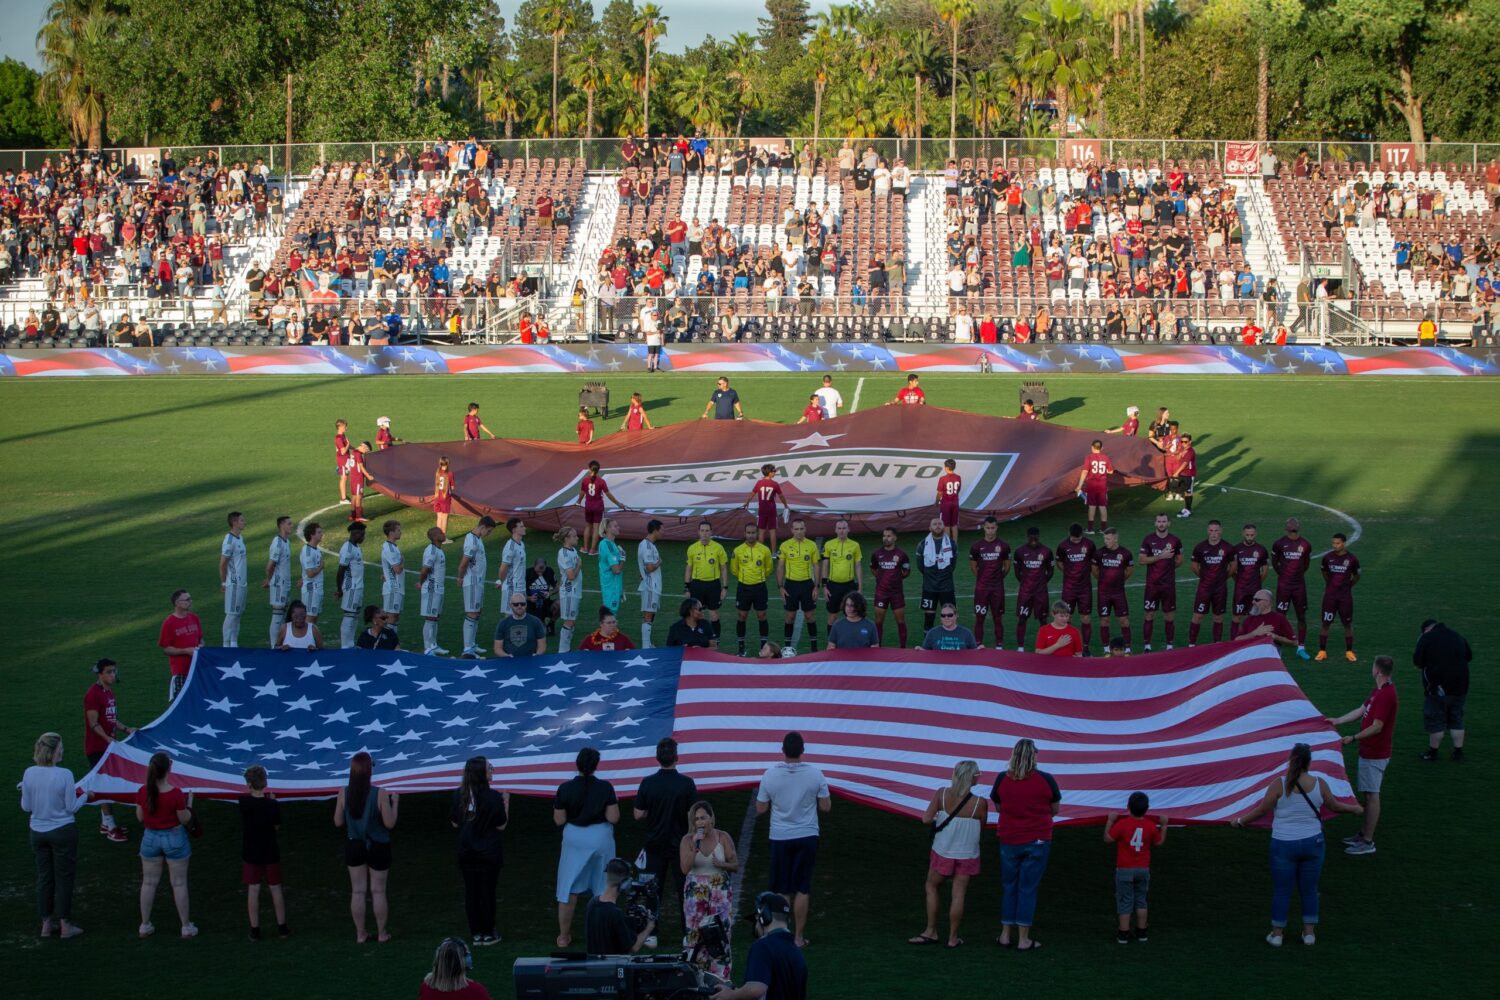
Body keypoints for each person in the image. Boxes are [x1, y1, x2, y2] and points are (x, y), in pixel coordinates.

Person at [1230, 743, 1363, 946]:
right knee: (1309, 890)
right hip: (1313, 843)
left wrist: (1240, 821)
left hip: (1283, 844)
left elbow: (1261, 810)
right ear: (1309, 763)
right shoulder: (1320, 783)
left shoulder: (1278, 784)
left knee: (1282, 891)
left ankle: (1277, 935)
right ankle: (1309, 934)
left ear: (1290, 761)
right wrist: (1354, 809)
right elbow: (1334, 806)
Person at [756, 732, 830, 948]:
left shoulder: (770, 775)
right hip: (807, 835)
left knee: (782, 889)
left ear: (783, 750)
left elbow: (760, 809)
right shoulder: (816, 774)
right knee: (802, 888)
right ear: (802, 751)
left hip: (780, 836)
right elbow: (826, 807)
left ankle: (783, 934)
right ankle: (798, 938)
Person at [990, 739, 1059, 951]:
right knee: (1027, 888)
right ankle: (1023, 939)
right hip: (1037, 840)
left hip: (1009, 839)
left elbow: (999, 806)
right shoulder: (1046, 780)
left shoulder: (1002, 779)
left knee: (1009, 886)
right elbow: (1054, 809)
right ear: (1034, 756)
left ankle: (1004, 935)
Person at [909, 760, 987, 948]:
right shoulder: (980, 803)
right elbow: (982, 825)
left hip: (943, 851)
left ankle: (931, 930)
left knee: (932, 886)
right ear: (973, 778)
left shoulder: (942, 794)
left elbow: (926, 819)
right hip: (967, 854)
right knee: (958, 895)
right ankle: (953, 937)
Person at [1328, 655, 1397, 855]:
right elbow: (1361, 710)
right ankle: (1363, 834)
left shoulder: (1386, 695)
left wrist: (1354, 737)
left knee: (1372, 795)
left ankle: (1367, 842)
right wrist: (1338, 720)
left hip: (1375, 752)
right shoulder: (1379, 691)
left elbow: (1377, 727)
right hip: (1369, 750)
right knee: (1368, 793)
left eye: (1373, 666)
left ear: (1378, 671)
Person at [553, 747, 620, 948]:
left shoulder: (564, 788)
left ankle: (564, 937)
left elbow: (559, 820)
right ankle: (605, 935)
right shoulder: (606, 787)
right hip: (600, 838)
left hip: (574, 838)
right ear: (596, 765)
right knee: (605, 887)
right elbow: (613, 817)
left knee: (569, 888)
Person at [634, 738, 698, 947]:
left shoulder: (647, 782)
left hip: (654, 844)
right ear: (676, 757)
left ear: (657, 758)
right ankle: (688, 932)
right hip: (680, 845)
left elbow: (637, 814)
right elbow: (695, 814)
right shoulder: (686, 783)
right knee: (684, 890)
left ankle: (651, 933)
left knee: (653, 890)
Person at [22, 732, 86, 938]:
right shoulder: (64, 774)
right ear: (53, 752)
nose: (63, 751)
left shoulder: (29, 773)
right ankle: (65, 925)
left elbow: (26, 806)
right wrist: (86, 795)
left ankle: (46, 924)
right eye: (61, 748)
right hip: (62, 831)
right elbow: (71, 807)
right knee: (64, 878)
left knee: (45, 877)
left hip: (38, 832)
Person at [334, 751, 398, 943]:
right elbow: (389, 823)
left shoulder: (343, 792)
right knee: (378, 891)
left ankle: (360, 933)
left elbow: (337, 822)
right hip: (378, 845)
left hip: (355, 844)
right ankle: (381, 933)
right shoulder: (380, 794)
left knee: (358, 891)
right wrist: (395, 804)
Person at [135, 751, 196, 939]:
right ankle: (185, 927)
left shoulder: (143, 791)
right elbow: (184, 819)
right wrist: (190, 804)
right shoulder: (175, 794)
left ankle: (144, 925)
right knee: (178, 883)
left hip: (150, 839)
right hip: (175, 839)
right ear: (169, 768)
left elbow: (140, 817)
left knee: (148, 882)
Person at [450, 756, 509, 947]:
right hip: (489, 853)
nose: (492, 770)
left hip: (467, 852)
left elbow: (454, 822)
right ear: (481, 774)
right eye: (489, 768)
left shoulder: (459, 795)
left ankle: (476, 932)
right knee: (488, 892)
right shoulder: (493, 797)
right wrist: (506, 802)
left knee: (472, 892)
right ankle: (488, 932)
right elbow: (501, 825)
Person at [681, 800, 739, 979]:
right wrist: (695, 847)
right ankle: (696, 974)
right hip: (695, 891)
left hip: (719, 889)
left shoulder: (723, 837)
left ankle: (721, 976)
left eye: (703, 818)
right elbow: (684, 869)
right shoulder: (688, 840)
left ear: (711, 818)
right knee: (695, 931)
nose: (700, 822)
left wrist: (722, 864)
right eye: (697, 819)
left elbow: (735, 864)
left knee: (720, 930)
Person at [713, 892, 808, 1000]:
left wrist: (731, 995)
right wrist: (739, 992)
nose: (756, 926)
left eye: (756, 920)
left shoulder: (763, 946)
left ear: (763, 916)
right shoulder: (796, 951)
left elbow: (756, 989)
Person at [1104, 792, 1168, 944]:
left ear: (1127, 807)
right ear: (1147, 809)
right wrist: (1164, 826)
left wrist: (1110, 820)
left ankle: (1123, 933)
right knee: (1141, 900)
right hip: (1143, 869)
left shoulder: (1123, 824)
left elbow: (1108, 839)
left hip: (1125, 869)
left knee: (1125, 900)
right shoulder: (1151, 826)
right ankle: (1142, 932)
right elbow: (1158, 843)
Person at [83, 658, 136, 841]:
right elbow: (93, 723)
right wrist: (108, 739)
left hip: (107, 746)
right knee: (104, 784)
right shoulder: (93, 694)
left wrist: (126, 729)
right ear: (100, 674)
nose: (113, 675)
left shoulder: (109, 693)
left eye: (114, 671)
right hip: (97, 748)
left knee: (108, 783)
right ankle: (109, 825)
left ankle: (107, 823)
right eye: (109, 672)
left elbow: (111, 719)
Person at [239, 764, 288, 940]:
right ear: (265, 782)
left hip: (251, 852)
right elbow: (276, 826)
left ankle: (255, 929)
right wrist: (272, 802)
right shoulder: (272, 805)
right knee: (275, 888)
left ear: (249, 784)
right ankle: (282, 927)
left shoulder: (243, 803)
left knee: (253, 890)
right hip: (270, 851)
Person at [1413, 618, 1471, 762]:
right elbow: (1468, 656)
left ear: (1426, 630)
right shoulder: (1457, 635)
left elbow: (1418, 661)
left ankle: (1433, 752)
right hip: (1461, 685)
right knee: (1456, 717)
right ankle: (1458, 752)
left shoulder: (1426, 638)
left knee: (1435, 718)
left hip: (1437, 687)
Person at [585, 858, 656, 954]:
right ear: (625, 884)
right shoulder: (615, 913)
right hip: (613, 966)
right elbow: (633, 948)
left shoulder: (592, 903)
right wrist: (649, 927)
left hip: (593, 965)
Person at [1138, 513, 1183, 651]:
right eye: (1159, 521)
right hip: (1152, 585)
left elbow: (1180, 560)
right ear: (1155, 523)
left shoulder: (1175, 540)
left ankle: (1170, 645)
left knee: (1169, 615)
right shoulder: (1148, 540)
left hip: (1168, 585)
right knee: (1149, 614)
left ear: (1169, 523)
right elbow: (1141, 560)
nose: (1161, 524)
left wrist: (1168, 568)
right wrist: (1160, 557)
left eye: (1164, 521)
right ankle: (1147, 645)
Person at [1271, 517, 1314, 658]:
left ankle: (1301, 647)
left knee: (1301, 616)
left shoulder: (1305, 544)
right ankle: (1277, 646)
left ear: (1299, 526)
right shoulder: (1279, 544)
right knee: (1280, 616)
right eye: (1290, 523)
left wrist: (1296, 576)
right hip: (1284, 586)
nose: (1293, 525)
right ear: (1286, 527)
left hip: (1299, 587)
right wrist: (1284, 576)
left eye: (1295, 523)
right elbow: (1275, 562)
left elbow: (1306, 564)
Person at [777, 518, 822, 653]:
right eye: (796, 529)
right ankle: (787, 647)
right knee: (790, 617)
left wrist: (816, 586)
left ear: (805, 529)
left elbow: (816, 565)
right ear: (792, 530)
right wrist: (780, 587)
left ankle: (814, 648)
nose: (799, 532)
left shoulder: (812, 545)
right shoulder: (784, 545)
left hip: (807, 584)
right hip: (790, 585)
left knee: (810, 616)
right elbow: (780, 567)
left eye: (801, 529)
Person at [1316, 533, 1361, 662]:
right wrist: (1331, 584)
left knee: (1347, 624)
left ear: (1344, 543)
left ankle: (1349, 651)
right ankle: (1322, 651)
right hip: (1330, 597)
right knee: (1325, 623)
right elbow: (1324, 573)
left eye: (1338, 543)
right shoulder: (1327, 558)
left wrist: (1349, 585)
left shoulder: (1352, 559)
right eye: (1333, 543)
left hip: (1345, 597)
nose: (1335, 545)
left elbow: (1357, 575)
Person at [1188, 519, 1233, 646]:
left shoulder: (1228, 547)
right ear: (1208, 531)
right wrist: (1204, 577)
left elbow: (1233, 565)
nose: (1214, 533)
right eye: (1211, 530)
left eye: (1216, 530)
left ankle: (1217, 643)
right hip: (1205, 588)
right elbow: (1194, 566)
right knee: (1198, 616)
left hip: (1220, 589)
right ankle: (1191, 644)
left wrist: (1223, 577)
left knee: (1218, 617)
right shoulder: (1200, 547)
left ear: (1221, 531)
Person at [732, 522, 774, 656]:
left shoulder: (764, 550)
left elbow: (769, 568)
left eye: (753, 533)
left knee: (762, 616)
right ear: (745, 534)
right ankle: (741, 648)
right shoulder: (737, 550)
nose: (751, 535)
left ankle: (764, 647)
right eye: (748, 533)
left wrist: (758, 577)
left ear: (757, 533)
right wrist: (746, 578)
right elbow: (734, 569)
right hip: (743, 587)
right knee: (742, 616)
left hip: (760, 587)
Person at [457, 516, 496, 659]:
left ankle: (472, 644)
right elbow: (463, 563)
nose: (489, 534)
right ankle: (467, 649)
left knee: (477, 612)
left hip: (478, 582)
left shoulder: (476, 539)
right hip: (472, 582)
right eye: (489, 531)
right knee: (472, 613)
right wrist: (460, 577)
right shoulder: (472, 542)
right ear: (483, 527)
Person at [685, 520, 729, 645]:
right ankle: (698, 639)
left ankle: (716, 640)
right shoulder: (692, 548)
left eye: (707, 531)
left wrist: (724, 587)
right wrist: (687, 587)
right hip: (697, 585)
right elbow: (689, 568)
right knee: (696, 614)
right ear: (698, 532)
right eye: (702, 531)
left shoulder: (718, 548)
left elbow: (723, 568)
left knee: (714, 614)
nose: (704, 533)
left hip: (713, 585)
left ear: (711, 532)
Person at [969, 516, 1011, 649]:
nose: (990, 531)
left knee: (997, 617)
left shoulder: (1003, 546)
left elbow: (1007, 566)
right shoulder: (976, 546)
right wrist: (982, 578)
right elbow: (973, 567)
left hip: (997, 588)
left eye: (993, 528)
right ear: (984, 528)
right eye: (988, 528)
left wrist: (998, 577)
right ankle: (978, 643)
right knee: (979, 617)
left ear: (997, 528)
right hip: (982, 588)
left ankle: (999, 644)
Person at [1054, 523, 1096, 653]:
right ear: (1069, 534)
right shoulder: (1062, 546)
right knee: (1067, 617)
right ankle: (1070, 645)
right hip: (1069, 588)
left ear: (1082, 535)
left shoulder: (1089, 544)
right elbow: (1059, 562)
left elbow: (1094, 562)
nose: (1076, 541)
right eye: (1074, 539)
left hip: (1085, 588)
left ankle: (1086, 647)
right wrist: (1067, 572)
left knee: (1085, 618)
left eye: (1078, 539)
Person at [1093, 529, 1134, 652]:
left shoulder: (1126, 553)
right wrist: (1103, 580)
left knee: (1124, 620)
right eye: (1105, 539)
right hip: (1103, 593)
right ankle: (1106, 649)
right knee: (1104, 620)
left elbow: (1129, 570)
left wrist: (1119, 580)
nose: (1106, 542)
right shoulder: (1099, 553)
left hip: (1118, 592)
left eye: (1108, 539)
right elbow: (1094, 570)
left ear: (1115, 539)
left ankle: (1127, 649)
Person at [1012, 527, 1054, 652]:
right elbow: (1017, 572)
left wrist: (1041, 582)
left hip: (1040, 592)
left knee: (1043, 619)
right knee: (1022, 618)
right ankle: (1020, 647)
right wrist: (1026, 583)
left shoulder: (1046, 551)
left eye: (1036, 536)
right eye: (1031, 536)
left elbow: (1050, 571)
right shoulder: (1020, 551)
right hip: (1025, 592)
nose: (1033, 539)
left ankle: (1044, 645)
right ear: (1028, 536)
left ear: (1039, 536)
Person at [915, 518, 957, 635]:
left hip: (946, 586)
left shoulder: (952, 543)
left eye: (940, 524)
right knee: (929, 616)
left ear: (944, 527)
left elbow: (953, 565)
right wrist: (930, 574)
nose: (937, 526)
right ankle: (927, 642)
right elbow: (920, 566)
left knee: (949, 615)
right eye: (934, 524)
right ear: (930, 528)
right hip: (929, 586)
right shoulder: (922, 544)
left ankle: (949, 640)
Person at [158, 589, 203, 701]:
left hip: (196, 669)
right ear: (177, 603)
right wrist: (186, 651)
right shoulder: (169, 622)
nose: (190, 601)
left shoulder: (194, 618)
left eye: (190, 598)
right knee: (181, 703)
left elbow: (200, 640)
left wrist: (201, 647)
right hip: (181, 672)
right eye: (187, 599)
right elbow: (166, 649)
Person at [819, 518, 863, 632]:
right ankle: (831, 644)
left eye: (844, 528)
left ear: (848, 529)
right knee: (832, 616)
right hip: (833, 586)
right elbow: (825, 566)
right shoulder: (829, 544)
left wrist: (860, 587)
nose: (842, 531)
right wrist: (824, 586)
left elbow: (858, 566)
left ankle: (850, 641)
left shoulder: (855, 545)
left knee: (852, 614)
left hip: (849, 585)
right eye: (839, 528)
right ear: (835, 530)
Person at [743, 464, 793, 553]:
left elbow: (752, 494)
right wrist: (785, 505)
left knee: (761, 531)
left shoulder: (759, 483)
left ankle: (761, 552)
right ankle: (773, 552)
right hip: (771, 510)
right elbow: (781, 496)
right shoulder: (775, 484)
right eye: (774, 471)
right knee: (772, 531)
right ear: (769, 473)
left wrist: (747, 502)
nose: (775, 473)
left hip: (762, 510)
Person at [421, 938, 492, 999]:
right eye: (467, 953)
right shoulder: (476, 991)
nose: (470, 955)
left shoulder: (426, 987)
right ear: (462, 961)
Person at [578, 461, 625, 556]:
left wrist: (579, 501)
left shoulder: (585, 480)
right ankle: (592, 550)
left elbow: (582, 493)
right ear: (598, 470)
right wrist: (618, 504)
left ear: (589, 469)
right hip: (598, 507)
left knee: (588, 526)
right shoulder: (601, 481)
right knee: (596, 528)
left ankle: (585, 548)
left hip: (588, 506)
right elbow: (608, 494)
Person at [1230, 523, 1270, 632]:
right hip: (1240, 590)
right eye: (1247, 535)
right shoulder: (1236, 549)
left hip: (1255, 590)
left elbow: (1265, 569)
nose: (1249, 537)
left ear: (1255, 534)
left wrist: (1257, 582)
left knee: (1255, 615)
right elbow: (1232, 568)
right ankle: (1234, 642)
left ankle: (1251, 642)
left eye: (1252, 535)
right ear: (1243, 534)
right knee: (1237, 616)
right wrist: (1237, 580)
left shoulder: (1261, 549)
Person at [219, 510, 248, 647]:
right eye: (242, 520)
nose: (244, 522)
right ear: (234, 523)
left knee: (237, 614)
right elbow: (223, 564)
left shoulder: (239, 538)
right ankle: (226, 644)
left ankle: (234, 642)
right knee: (231, 614)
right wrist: (224, 582)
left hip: (242, 583)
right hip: (234, 583)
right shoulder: (229, 541)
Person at [264, 515, 294, 647]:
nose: (291, 526)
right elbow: (270, 565)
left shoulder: (286, 542)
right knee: (277, 614)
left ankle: (279, 643)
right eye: (289, 524)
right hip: (277, 583)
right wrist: (269, 580)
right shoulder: (277, 542)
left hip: (285, 583)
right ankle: (273, 646)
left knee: (282, 614)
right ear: (281, 525)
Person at [336, 522, 367, 649]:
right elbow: (341, 570)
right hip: (351, 587)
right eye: (363, 535)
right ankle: (345, 645)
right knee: (349, 615)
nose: (364, 537)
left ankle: (350, 643)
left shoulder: (356, 547)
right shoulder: (347, 548)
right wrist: (339, 589)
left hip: (358, 587)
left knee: (354, 616)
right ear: (356, 533)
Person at [1234, 588, 1299, 648]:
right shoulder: (1249, 619)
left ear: (1268, 602)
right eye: (1253, 599)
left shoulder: (1279, 618)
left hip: (1269, 657)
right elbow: (1237, 640)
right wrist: (1254, 633)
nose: (1253, 602)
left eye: (1257, 600)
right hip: (1252, 656)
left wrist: (1275, 637)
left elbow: (1294, 642)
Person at [419, 527, 448, 656]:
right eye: (441, 533)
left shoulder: (438, 550)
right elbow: (425, 570)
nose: (444, 534)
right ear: (435, 536)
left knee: (435, 617)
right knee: (430, 618)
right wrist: (421, 582)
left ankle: (433, 645)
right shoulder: (431, 551)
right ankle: (428, 648)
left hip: (438, 588)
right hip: (431, 588)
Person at [554, 527, 583, 652]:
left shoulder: (572, 550)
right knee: (569, 622)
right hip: (569, 591)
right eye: (574, 536)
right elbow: (571, 576)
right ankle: (563, 651)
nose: (577, 538)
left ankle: (567, 649)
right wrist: (578, 566)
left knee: (572, 621)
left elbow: (563, 575)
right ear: (567, 538)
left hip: (574, 591)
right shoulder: (564, 553)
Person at [1075, 440, 1113, 535]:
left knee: (1092, 506)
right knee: (1102, 506)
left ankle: (1090, 529)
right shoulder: (1106, 458)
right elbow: (1111, 471)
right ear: (1102, 448)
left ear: (1092, 447)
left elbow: (1085, 471)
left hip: (1092, 485)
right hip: (1102, 485)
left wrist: (1079, 485)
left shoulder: (1089, 457)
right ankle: (1104, 529)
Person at [492, 592, 546, 657]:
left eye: (522, 604)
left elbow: (542, 645)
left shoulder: (536, 621)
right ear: (510, 605)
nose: (519, 606)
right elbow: (497, 648)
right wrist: (506, 656)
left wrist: (537, 655)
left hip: (530, 660)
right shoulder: (503, 624)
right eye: (516, 604)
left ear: (526, 605)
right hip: (510, 662)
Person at [638, 520, 664, 648]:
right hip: (650, 586)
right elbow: (649, 567)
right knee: (648, 614)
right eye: (661, 530)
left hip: (652, 585)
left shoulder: (649, 545)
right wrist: (659, 563)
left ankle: (648, 643)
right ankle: (646, 645)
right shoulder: (647, 546)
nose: (663, 533)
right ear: (655, 530)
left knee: (650, 614)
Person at [497, 517, 528, 612]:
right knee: (510, 615)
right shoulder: (510, 548)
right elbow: (503, 568)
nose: (525, 528)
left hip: (521, 586)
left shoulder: (521, 544)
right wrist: (503, 583)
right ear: (514, 530)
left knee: (520, 614)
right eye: (521, 526)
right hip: (512, 587)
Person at [595, 517, 626, 615]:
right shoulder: (608, 545)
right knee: (610, 617)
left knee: (610, 617)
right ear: (607, 529)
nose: (618, 527)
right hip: (611, 587)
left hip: (613, 586)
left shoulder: (610, 544)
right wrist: (622, 559)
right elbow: (616, 570)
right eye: (615, 526)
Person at [300, 522, 326, 625]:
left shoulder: (316, 550)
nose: (321, 534)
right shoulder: (308, 552)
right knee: (309, 620)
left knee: (313, 619)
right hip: (311, 590)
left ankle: (311, 641)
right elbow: (310, 573)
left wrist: (302, 579)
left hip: (317, 589)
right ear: (312, 535)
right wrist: (321, 567)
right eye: (319, 532)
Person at [935, 459, 962, 544]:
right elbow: (958, 490)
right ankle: (955, 544)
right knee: (954, 525)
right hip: (955, 502)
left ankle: (947, 543)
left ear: (946, 467)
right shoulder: (958, 477)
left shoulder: (943, 478)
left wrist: (936, 501)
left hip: (946, 503)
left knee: (946, 525)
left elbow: (940, 492)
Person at [432, 456, 455, 536]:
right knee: (444, 518)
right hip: (445, 498)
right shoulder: (450, 474)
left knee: (439, 517)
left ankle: (438, 536)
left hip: (437, 497)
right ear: (448, 464)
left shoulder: (437, 472)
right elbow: (452, 487)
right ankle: (443, 537)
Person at [334, 418, 352, 503]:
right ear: (340, 426)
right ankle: (343, 498)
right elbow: (343, 451)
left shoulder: (342, 436)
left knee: (345, 477)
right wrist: (348, 444)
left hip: (345, 459)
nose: (346, 428)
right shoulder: (338, 438)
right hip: (343, 460)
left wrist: (356, 449)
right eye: (345, 426)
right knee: (344, 478)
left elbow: (347, 446)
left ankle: (344, 497)